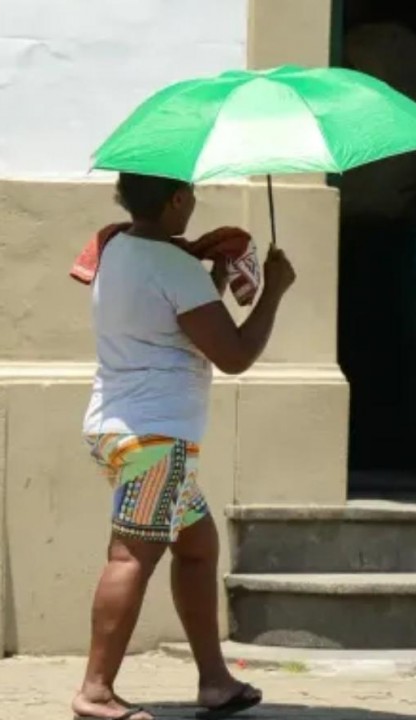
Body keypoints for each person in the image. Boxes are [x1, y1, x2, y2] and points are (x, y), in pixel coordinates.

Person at [72, 173, 296, 720]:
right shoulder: (173, 264)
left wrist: (214, 279)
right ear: (175, 199)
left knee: (196, 546)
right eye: (191, 193)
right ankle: (95, 692)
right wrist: (274, 291)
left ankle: (216, 682)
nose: (195, 202)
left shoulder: (117, 247)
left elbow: (172, 324)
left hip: (118, 426)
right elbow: (235, 353)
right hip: (156, 438)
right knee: (130, 556)